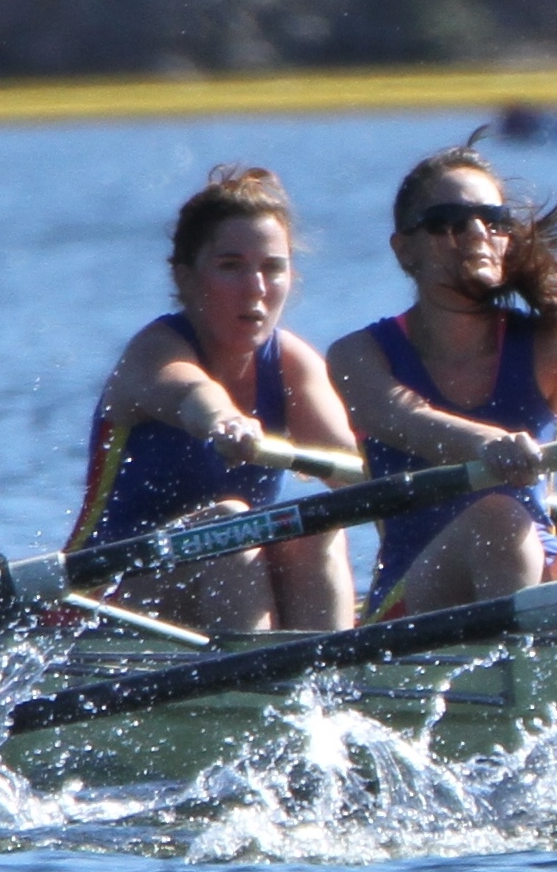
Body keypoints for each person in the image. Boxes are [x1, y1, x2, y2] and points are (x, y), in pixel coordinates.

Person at [326, 140, 557, 621]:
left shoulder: (552, 343)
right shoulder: (360, 354)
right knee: (499, 519)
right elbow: (404, 417)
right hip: (414, 603)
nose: (476, 233)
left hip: (538, 571)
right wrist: (489, 442)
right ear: (405, 250)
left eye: (493, 220)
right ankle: (540, 674)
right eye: (449, 221)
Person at [73, 167, 364, 632]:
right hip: (99, 596)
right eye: (232, 266)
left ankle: (327, 690)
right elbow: (192, 393)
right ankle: (257, 694)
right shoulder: (154, 351)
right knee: (231, 524)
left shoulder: (294, 363)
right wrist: (226, 421)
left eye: (273, 267)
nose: (257, 288)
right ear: (186, 278)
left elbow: (354, 468)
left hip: (224, 584)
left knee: (318, 524)